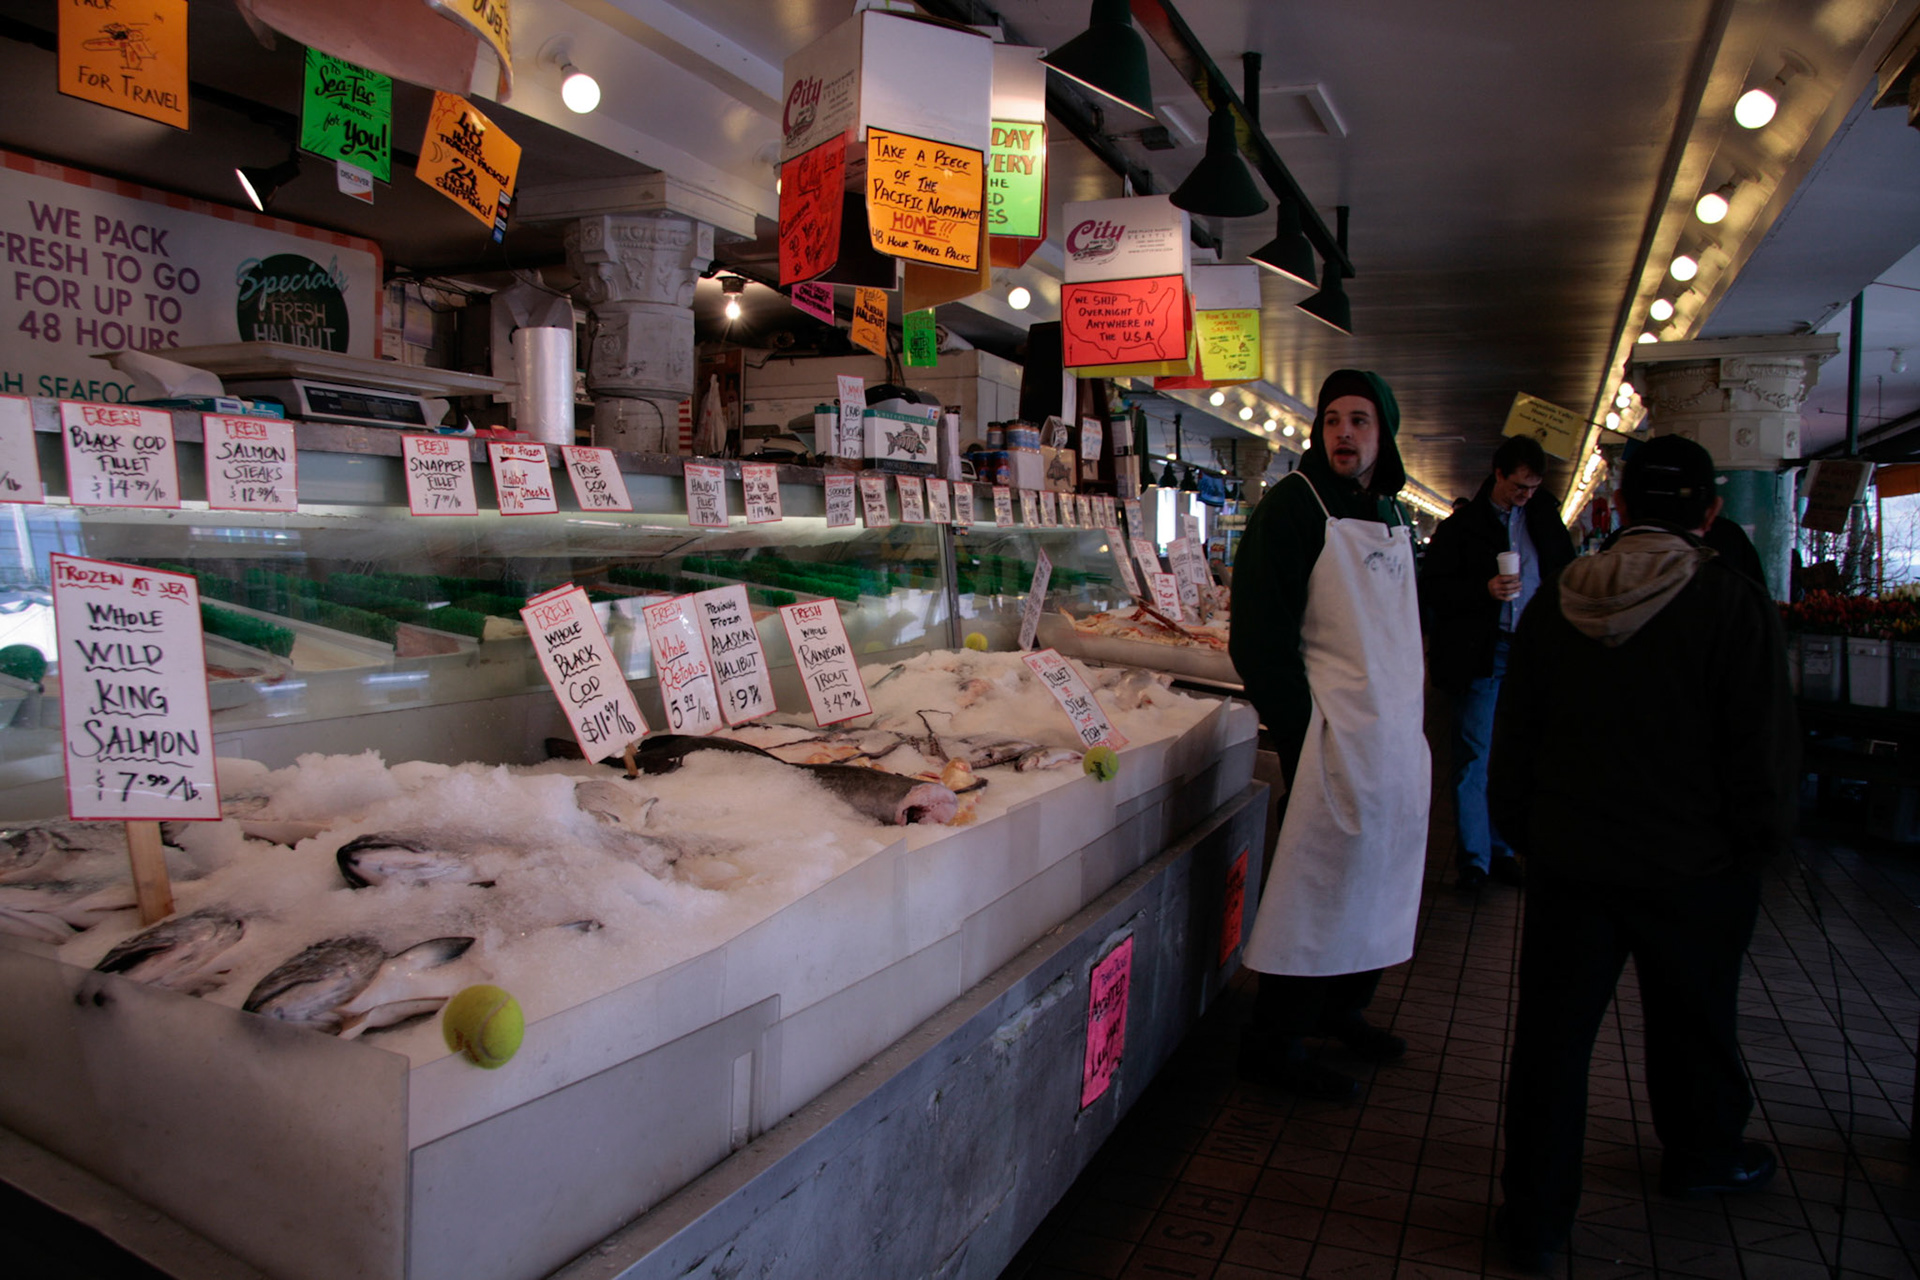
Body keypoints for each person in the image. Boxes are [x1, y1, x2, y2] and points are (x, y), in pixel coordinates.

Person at [1488, 435, 1798, 1271]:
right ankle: (1702, 1157)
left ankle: (1536, 1220)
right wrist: (1757, 846)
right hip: (1694, 868)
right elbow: (1760, 748)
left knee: (1554, 1043)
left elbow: (1516, 733)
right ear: (1708, 512)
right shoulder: (1734, 605)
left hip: (1573, 865)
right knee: (1695, 1022)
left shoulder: (1560, 602)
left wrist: (1523, 831)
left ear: (1618, 508)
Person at [1228, 370, 1430, 1102]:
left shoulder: (1395, 515)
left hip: (1394, 738)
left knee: (1377, 879)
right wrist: (1304, 726)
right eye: (1333, 419)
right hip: (1335, 735)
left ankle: (1344, 1011)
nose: (1344, 433)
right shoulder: (1294, 507)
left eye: (1361, 420)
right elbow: (1257, 635)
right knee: (1315, 886)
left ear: (1385, 433)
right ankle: (1274, 1040)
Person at [1420, 435, 1574, 889]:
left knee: (1512, 751)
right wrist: (1483, 591)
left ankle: (1503, 848)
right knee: (1474, 752)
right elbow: (1434, 591)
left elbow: (1566, 572)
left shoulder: (1544, 517)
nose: (1525, 496)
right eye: (1519, 487)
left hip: (1532, 650)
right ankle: (1474, 859)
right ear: (1498, 474)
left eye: (1533, 488)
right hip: (1482, 652)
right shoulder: (1463, 527)